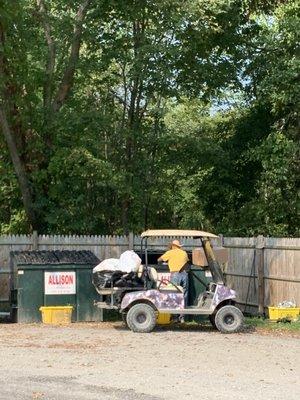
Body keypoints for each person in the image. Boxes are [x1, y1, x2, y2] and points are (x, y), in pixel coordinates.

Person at [157, 239, 189, 321]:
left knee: (174, 295)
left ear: (173, 246)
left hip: (175, 274)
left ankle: (175, 317)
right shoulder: (184, 253)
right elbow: (186, 262)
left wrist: (167, 261)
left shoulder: (170, 252)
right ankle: (182, 317)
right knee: (184, 294)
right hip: (184, 274)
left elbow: (159, 259)